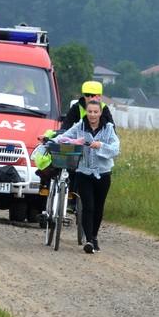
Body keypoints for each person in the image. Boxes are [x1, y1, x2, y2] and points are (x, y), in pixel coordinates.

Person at [56, 99, 120, 253]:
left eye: (95, 112)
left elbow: (115, 149)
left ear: (100, 113)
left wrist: (101, 145)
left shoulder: (108, 128)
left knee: (98, 207)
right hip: (83, 173)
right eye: (90, 111)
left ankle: (94, 236)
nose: (92, 115)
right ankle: (89, 241)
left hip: (103, 174)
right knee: (88, 207)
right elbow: (64, 137)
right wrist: (48, 140)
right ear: (86, 112)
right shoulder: (80, 126)